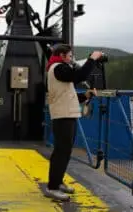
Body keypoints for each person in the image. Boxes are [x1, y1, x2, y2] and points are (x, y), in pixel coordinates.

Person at [45, 44, 102, 200]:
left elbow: (68, 95)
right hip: (63, 116)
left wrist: (86, 96)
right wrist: (92, 59)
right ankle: (52, 187)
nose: (71, 59)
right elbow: (80, 76)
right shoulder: (58, 68)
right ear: (62, 55)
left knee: (64, 151)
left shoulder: (59, 70)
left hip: (66, 114)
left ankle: (57, 181)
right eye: (70, 56)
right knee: (61, 152)